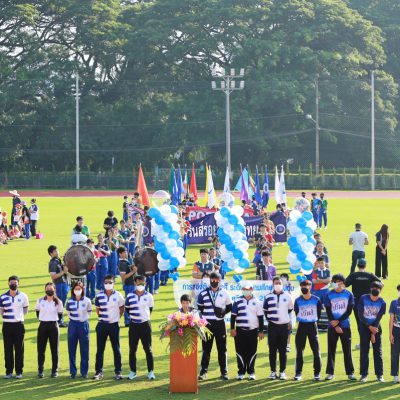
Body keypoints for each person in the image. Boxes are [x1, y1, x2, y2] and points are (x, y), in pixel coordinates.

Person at [197, 272, 232, 380]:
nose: (214, 281)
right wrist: (203, 321)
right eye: (212, 279)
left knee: (222, 349)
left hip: (220, 324)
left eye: (216, 279)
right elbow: (199, 309)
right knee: (206, 349)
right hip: (207, 324)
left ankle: (224, 372)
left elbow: (229, 307)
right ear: (210, 280)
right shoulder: (203, 293)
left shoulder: (224, 292)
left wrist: (222, 313)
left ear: (219, 280)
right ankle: (203, 372)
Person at [324, 274, 356, 381]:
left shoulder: (349, 294)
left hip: (345, 325)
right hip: (332, 326)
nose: (337, 284)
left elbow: (349, 311)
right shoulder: (328, 294)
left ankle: (350, 373)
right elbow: (328, 310)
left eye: (339, 282)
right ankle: (330, 373)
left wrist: (338, 322)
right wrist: (335, 324)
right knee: (331, 350)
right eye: (335, 282)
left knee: (347, 350)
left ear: (343, 283)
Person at [231, 282, 264, 380]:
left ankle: (251, 372)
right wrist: (232, 328)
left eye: (248, 289)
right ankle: (241, 372)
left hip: (253, 331)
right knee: (240, 351)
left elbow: (260, 318)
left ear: (252, 289)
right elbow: (233, 316)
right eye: (244, 289)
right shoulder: (237, 301)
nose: (246, 291)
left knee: (252, 352)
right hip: (240, 331)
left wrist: (261, 331)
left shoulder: (257, 302)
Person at [93, 275, 124, 380]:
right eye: (106, 282)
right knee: (100, 349)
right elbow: (98, 310)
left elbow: (121, 308)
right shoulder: (99, 295)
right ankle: (98, 372)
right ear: (103, 283)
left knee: (116, 349)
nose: (108, 284)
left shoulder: (118, 295)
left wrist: (116, 318)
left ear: (114, 283)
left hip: (114, 325)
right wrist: (104, 318)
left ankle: (118, 372)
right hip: (102, 325)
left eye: (110, 282)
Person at [263, 276, 294, 380]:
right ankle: (273, 372)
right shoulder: (268, 296)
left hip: (284, 327)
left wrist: (284, 319)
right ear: (273, 284)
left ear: (282, 284)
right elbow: (265, 311)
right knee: (272, 350)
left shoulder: (287, 296)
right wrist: (272, 320)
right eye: (276, 283)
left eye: (279, 283)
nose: (278, 285)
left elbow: (290, 310)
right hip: (272, 326)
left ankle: (282, 372)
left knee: (283, 351)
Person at [125, 275, 155, 380]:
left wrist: (143, 317)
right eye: (138, 283)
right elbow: (127, 309)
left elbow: (150, 309)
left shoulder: (149, 296)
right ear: (135, 283)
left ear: (145, 283)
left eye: (142, 283)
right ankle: (133, 371)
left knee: (148, 349)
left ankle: (151, 371)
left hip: (145, 325)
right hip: (133, 325)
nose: (140, 285)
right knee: (132, 349)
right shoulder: (129, 296)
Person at [345, 258, 381, 344]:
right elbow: (380, 283)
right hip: (369, 302)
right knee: (370, 320)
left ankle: (363, 341)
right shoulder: (369, 275)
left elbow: (345, 284)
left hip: (357, 302)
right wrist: (375, 294)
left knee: (360, 322)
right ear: (365, 266)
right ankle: (372, 339)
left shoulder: (353, 275)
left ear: (357, 265)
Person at [0, 276, 29, 379]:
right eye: (11, 282)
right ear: (8, 283)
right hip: (7, 325)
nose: (13, 284)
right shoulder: (3, 297)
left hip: (19, 325)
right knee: (8, 349)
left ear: (18, 284)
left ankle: (19, 371)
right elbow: (1, 311)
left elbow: (25, 310)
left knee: (19, 349)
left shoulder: (23, 296)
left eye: (15, 282)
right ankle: (9, 372)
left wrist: (18, 316)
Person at [293, 279, 322, 381]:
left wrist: (312, 320)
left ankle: (317, 373)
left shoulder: (316, 299)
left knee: (316, 350)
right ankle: (298, 373)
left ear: (310, 287)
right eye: (302, 286)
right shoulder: (297, 300)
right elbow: (296, 312)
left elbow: (318, 313)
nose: (304, 287)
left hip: (312, 326)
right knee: (299, 351)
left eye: (306, 285)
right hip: (301, 326)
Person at [358, 281, 386, 382]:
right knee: (364, 351)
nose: (375, 289)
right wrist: (369, 327)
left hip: (376, 327)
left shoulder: (382, 302)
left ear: (380, 290)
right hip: (365, 327)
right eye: (374, 287)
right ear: (370, 289)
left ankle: (379, 375)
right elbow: (360, 315)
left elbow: (378, 318)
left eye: (378, 288)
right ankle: (364, 374)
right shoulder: (363, 298)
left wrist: (374, 332)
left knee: (378, 351)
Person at [35, 282, 63, 378]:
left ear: (54, 290)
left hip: (53, 326)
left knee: (54, 350)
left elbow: (60, 315)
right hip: (42, 325)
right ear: (45, 290)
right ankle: (40, 370)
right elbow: (37, 313)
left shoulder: (58, 302)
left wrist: (52, 320)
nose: (49, 290)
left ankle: (54, 370)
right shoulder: (40, 300)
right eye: (47, 289)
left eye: (51, 289)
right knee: (41, 350)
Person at [66, 281, 92, 378]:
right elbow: (68, 312)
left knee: (84, 349)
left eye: (79, 289)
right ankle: (73, 372)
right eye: (76, 289)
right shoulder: (69, 301)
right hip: (73, 325)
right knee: (71, 349)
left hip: (83, 325)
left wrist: (82, 319)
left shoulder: (87, 301)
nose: (77, 290)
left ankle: (84, 372)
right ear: (73, 290)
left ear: (82, 290)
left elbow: (89, 313)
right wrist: (74, 320)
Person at [48, 245, 69, 327]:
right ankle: (59, 321)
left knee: (61, 304)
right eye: (55, 251)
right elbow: (53, 276)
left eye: (57, 250)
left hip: (64, 284)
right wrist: (63, 272)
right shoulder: (52, 263)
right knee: (60, 304)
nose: (57, 252)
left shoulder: (58, 260)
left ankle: (59, 320)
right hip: (59, 284)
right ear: (51, 253)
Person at [117, 246, 137, 326]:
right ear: (120, 254)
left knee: (131, 303)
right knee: (129, 304)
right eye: (124, 252)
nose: (126, 253)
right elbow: (123, 277)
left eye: (126, 251)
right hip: (129, 285)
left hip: (131, 284)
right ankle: (127, 321)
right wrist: (133, 271)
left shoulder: (126, 261)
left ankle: (129, 320)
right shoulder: (122, 263)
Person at [388, 284, 400, 383]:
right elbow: (391, 319)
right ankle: (395, 376)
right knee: (395, 354)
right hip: (396, 330)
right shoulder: (394, 303)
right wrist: (390, 334)